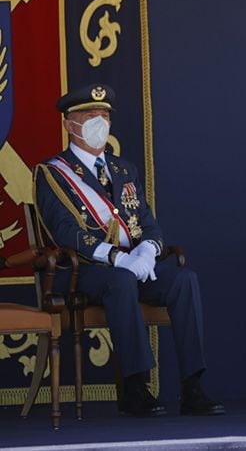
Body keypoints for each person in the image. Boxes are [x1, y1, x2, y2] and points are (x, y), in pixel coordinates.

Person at [34, 83, 224, 417]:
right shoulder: (52, 173)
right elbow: (65, 232)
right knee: (120, 280)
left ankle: (193, 386)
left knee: (183, 278)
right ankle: (135, 388)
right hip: (83, 272)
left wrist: (148, 251)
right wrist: (118, 257)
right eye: (90, 115)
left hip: (133, 266)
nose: (100, 122)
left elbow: (147, 223)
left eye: (105, 115)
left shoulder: (124, 170)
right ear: (69, 124)